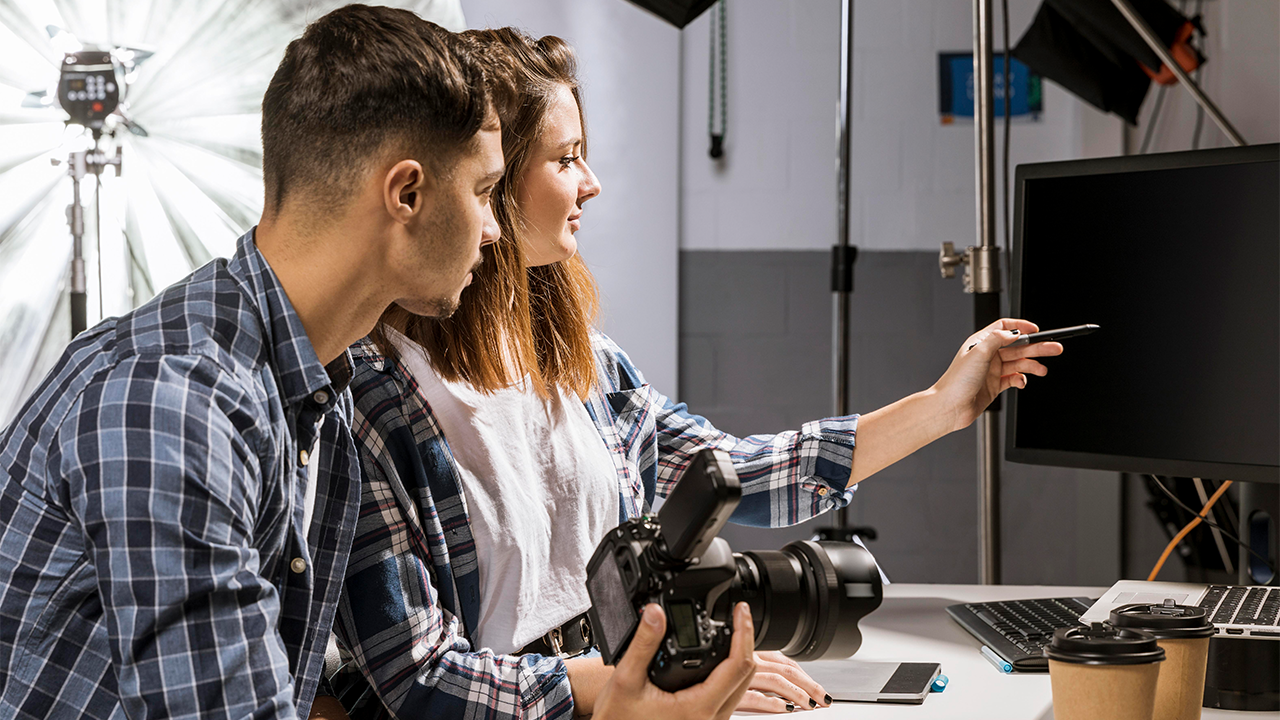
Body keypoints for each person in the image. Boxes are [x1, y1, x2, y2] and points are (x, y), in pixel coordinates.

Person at [329, 26, 1062, 720]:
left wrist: (943, 404)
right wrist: (623, 679)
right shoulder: (373, 397)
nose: (591, 183)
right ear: (487, 181)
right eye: (565, 158)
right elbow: (417, 682)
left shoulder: (579, 361)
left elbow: (735, 472)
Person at [0, 6, 503, 718]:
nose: (494, 228)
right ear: (408, 193)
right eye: (483, 192)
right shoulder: (175, 403)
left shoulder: (312, 387)